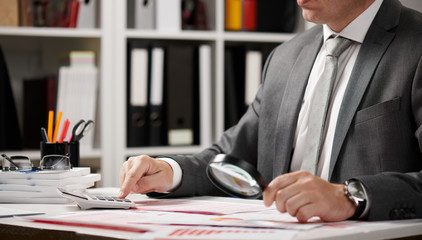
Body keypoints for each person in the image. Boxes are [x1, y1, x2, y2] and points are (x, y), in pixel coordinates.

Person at [119, 0, 422, 223]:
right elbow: (234, 158)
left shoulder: (415, 46)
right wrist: (170, 171)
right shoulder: (285, 57)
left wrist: (349, 196)